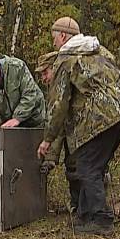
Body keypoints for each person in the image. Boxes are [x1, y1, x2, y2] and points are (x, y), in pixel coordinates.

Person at [37, 17, 120, 235]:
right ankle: (85, 215)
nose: (54, 43)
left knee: (86, 166)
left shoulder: (66, 59)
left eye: (54, 38)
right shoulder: (101, 51)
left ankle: (101, 219)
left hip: (101, 117)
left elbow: (59, 104)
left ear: (63, 36)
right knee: (94, 164)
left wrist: (48, 138)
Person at [37, 51, 80, 211]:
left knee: (81, 169)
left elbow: (58, 120)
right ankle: (77, 206)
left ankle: (88, 209)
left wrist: (49, 152)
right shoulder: (56, 88)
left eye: (45, 72)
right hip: (73, 133)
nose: (44, 78)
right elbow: (58, 126)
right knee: (72, 167)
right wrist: (50, 158)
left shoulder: (65, 85)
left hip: (82, 133)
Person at [0, 50, 46, 127]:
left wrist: (17, 118)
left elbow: (30, 93)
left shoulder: (16, 67)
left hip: (35, 119)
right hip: (10, 124)